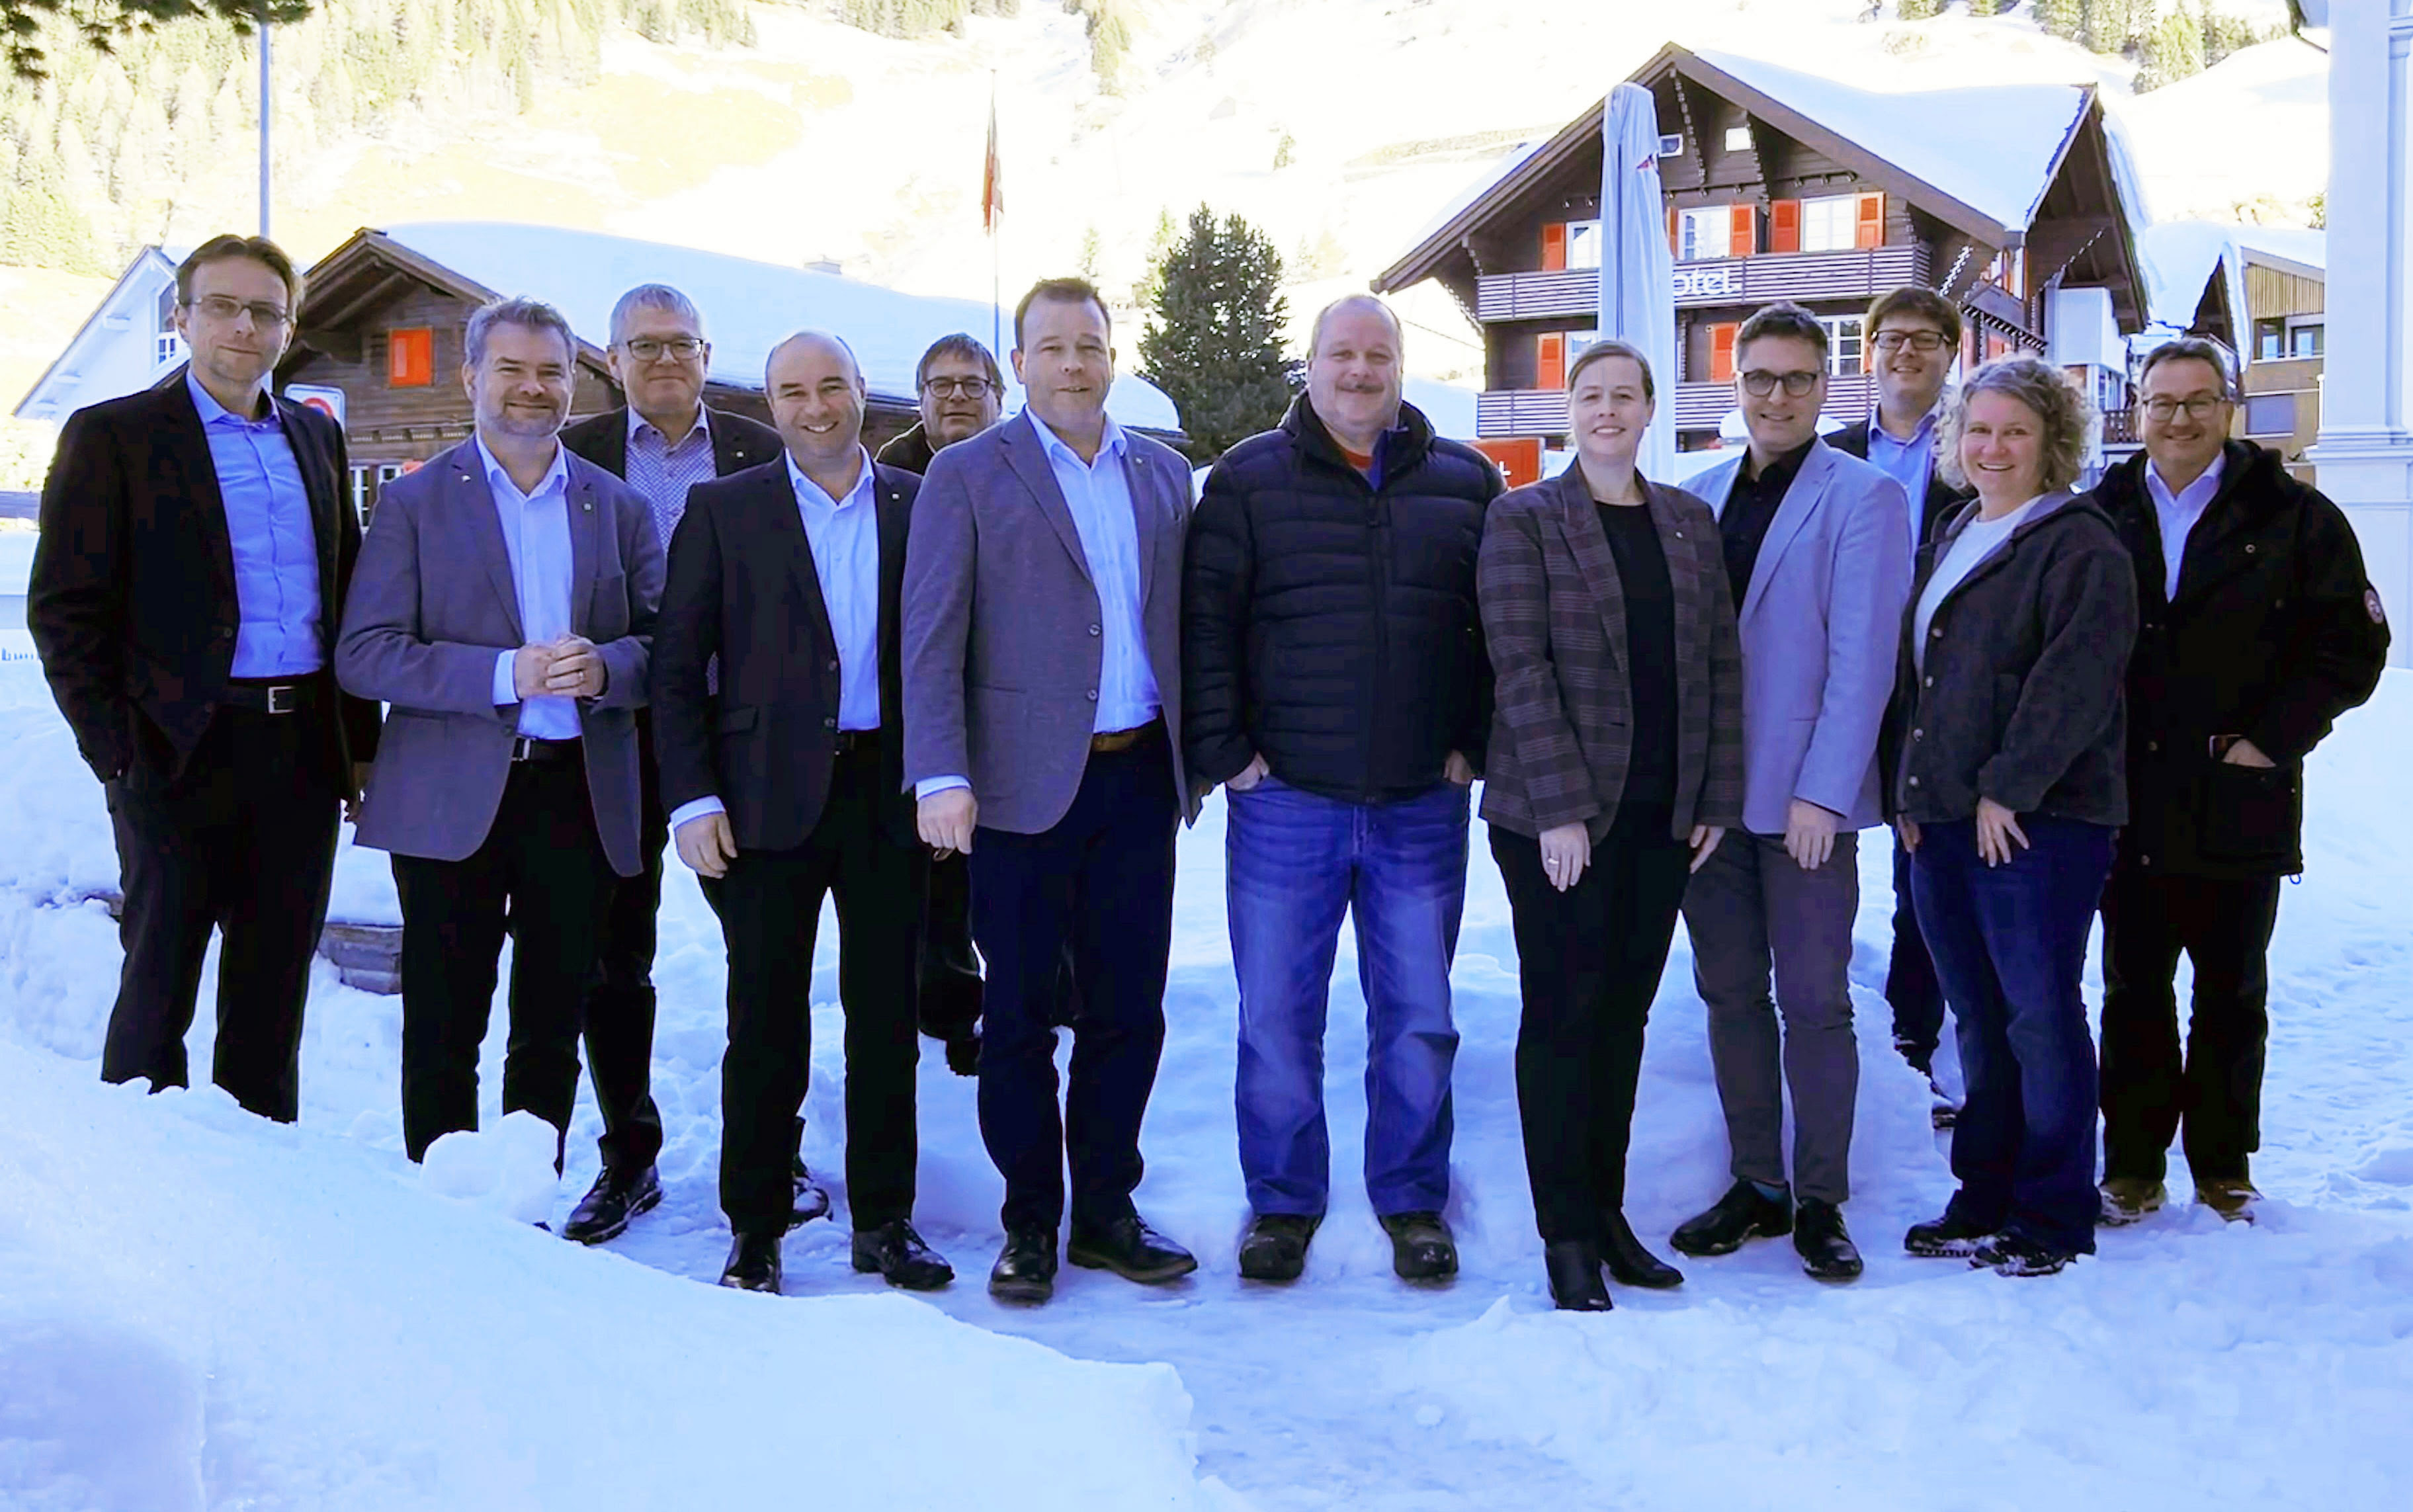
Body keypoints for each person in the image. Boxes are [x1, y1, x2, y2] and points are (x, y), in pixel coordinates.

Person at [27, 233, 380, 1122]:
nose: (243, 326)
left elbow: (345, 596)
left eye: (265, 310)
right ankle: (149, 1183)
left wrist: (360, 751)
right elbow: (66, 609)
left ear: (288, 328)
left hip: (300, 750)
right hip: (175, 750)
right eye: (222, 305)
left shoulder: (314, 436)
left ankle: (260, 1179)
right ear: (181, 317)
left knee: (271, 996)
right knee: (159, 985)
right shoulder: (114, 435)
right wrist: (117, 749)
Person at [1183, 294, 1498, 1286]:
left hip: (1419, 801)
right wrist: (1227, 750)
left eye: (1378, 355)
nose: (1360, 372)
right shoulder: (1245, 481)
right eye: (1342, 355)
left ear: (1402, 367)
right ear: (1309, 365)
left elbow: (1496, 628)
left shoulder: (1465, 480)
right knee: (1277, 1014)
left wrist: (1474, 741)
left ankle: (1411, 1197)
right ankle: (1283, 1201)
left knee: (1418, 1014)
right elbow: (1205, 627)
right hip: (1287, 802)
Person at [903, 277, 1199, 1305]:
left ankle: (1108, 1211)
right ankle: (1031, 1218)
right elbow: (931, 634)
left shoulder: (1163, 475)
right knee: (1020, 1014)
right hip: (1019, 793)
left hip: (1134, 782)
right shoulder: (969, 474)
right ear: (1017, 363)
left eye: (1091, 345)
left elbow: (1183, 624)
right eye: (1053, 347)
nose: (1074, 363)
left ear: (1113, 357)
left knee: (1130, 1008)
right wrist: (940, 772)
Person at [654, 331, 951, 1296]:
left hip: (888, 794)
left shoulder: (922, 503)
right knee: (765, 1018)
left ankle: (887, 1218)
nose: (815, 406)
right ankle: (755, 1224)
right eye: (793, 391)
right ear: (769, 403)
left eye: (832, 386)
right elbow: (674, 669)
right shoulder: (724, 509)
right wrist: (692, 796)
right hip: (761, 800)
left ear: (866, 391)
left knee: (884, 1017)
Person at [335, 296, 662, 1167]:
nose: (532, 388)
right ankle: (443, 1218)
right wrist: (498, 674)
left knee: (551, 1024)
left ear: (574, 384)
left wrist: (608, 669)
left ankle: (527, 1206)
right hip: (451, 798)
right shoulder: (413, 503)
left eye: (551, 371)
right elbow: (365, 654)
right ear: (472, 377)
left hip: (576, 795)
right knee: (445, 1022)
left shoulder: (617, 508)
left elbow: (666, 643)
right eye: (511, 369)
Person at [2088, 337, 2390, 1226]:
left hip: (2237, 794)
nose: (2177, 418)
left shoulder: (2295, 516)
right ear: (2136, 412)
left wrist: (2273, 739)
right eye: (2160, 401)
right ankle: (2133, 1165)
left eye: (2196, 400)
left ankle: (2223, 1164)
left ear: (2229, 408)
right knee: (2131, 991)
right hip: (2126, 799)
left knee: (2231, 993)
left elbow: (2354, 644)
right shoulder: (2101, 511)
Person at [1478, 340, 1742, 1311]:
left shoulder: (1687, 521)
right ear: (1570, 408)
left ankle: (1609, 1208)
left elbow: (1718, 666)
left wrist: (1715, 796)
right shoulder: (1525, 520)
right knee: (1565, 1011)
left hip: (1662, 814)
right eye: (1591, 395)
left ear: (1649, 410)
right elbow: (1521, 667)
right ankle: (1566, 1235)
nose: (1608, 410)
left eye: (1625, 396)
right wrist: (1559, 808)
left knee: (1623, 1016)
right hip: (1557, 818)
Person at [1672, 301, 1912, 1282]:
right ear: (1736, 387)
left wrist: (1826, 792)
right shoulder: (1696, 493)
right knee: (1729, 992)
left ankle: (1820, 1197)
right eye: (1761, 378)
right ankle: (1756, 1182)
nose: (1778, 395)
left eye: (1798, 379)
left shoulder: (1862, 498)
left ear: (1827, 386)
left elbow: (1863, 663)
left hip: (1803, 801)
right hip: (1711, 808)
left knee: (1813, 999)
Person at [1888, 355, 2137, 1277]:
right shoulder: (1958, 528)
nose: (1993, 447)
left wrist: (2008, 786)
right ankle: (1984, 1190)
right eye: (1979, 430)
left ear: (2053, 443)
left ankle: (2053, 1208)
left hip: (2037, 823)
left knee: (2038, 1013)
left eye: (2015, 432)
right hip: (1944, 822)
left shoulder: (2079, 543)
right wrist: (1910, 796)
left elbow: (2073, 683)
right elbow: (1923, 681)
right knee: (1977, 1018)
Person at [554, 282, 782, 1245]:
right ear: (610, 360)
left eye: (681, 344)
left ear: (707, 350)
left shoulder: (759, 449)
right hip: (615, 733)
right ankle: (628, 1152)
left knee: (765, 952)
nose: (663, 361)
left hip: (744, 735)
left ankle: (773, 1147)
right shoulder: (573, 458)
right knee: (615, 953)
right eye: (643, 346)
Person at [1829, 287, 1971, 1119]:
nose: (1906, 353)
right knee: (1825, 856)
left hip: (1938, 688)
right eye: (1890, 339)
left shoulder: (1975, 448)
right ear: (1870, 350)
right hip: (1849, 682)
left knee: (1924, 877)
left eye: (1926, 340)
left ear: (1951, 354)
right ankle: (1837, 1037)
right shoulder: (1834, 451)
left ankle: (1915, 1050)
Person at [874, 333, 1013, 1076]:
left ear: (1001, 397)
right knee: (940, 878)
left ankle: (1046, 999)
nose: (957, 396)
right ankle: (952, 1014)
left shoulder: (1033, 468)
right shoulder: (887, 481)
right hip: (923, 711)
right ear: (919, 398)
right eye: (941, 384)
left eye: (973, 383)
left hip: (1024, 712)